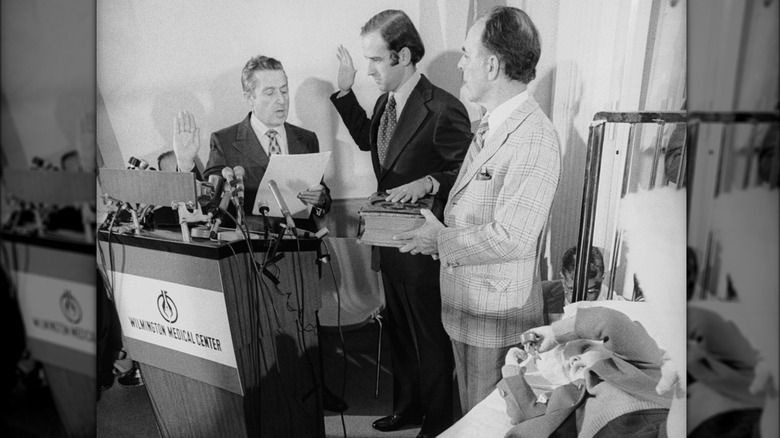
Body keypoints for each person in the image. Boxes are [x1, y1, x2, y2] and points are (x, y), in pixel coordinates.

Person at [394, 6, 561, 415]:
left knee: (490, 422)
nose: (460, 63)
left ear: (492, 65)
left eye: (467, 54)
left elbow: (513, 237)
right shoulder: (491, 125)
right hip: (467, 307)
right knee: (471, 414)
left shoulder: (534, 137)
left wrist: (441, 238)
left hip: (496, 317)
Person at [330, 9, 472, 437]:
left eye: (374, 60)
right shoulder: (384, 103)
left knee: (430, 341)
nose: (367, 69)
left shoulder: (443, 108)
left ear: (403, 55)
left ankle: (438, 420)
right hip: (389, 243)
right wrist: (344, 92)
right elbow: (368, 141)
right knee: (400, 336)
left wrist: (429, 180)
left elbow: (467, 173)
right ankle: (408, 408)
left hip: (425, 246)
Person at [173, 55, 332, 232]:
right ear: (249, 98)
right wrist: (186, 164)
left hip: (302, 245)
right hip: (250, 250)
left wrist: (321, 200)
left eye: (284, 91)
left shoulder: (307, 139)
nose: (281, 99)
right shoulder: (224, 141)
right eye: (270, 93)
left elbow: (321, 196)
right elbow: (210, 202)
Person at [498, 306, 673, 437]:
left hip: (657, 425)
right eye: (567, 364)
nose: (572, 359)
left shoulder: (641, 363)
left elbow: (611, 322)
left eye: (584, 349)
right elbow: (529, 416)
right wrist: (511, 369)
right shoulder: (567, 398)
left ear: (611, 347)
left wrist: (555, 334)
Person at [542, 246, 605, 318]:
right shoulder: (540, 294)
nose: (581, 300)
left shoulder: (614, 302)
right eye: (572, 290)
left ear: (602, 278)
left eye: (590, 291)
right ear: (563, 279)